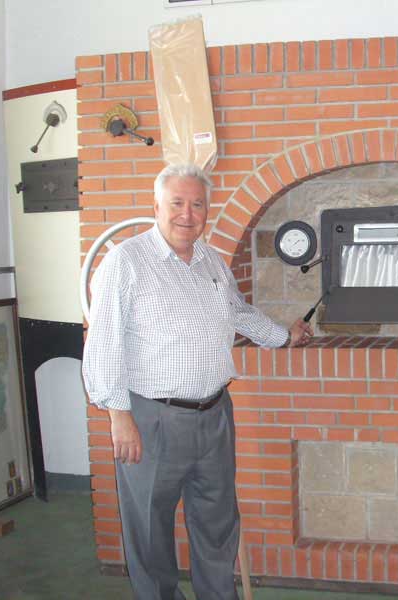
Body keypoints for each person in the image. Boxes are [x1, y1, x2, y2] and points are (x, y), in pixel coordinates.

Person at [82, 163, 312, 600]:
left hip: (215, 415)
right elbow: (103, 341)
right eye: (177, 203)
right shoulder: (125, 262)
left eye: (197, 205)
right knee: (150, 530)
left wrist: (283, 336)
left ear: (207, 210)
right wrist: (119, 416)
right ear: (156, 206)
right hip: (152, 420)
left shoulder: (211, 260)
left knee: (217, 523)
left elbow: (238, 312)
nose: (187, 214)